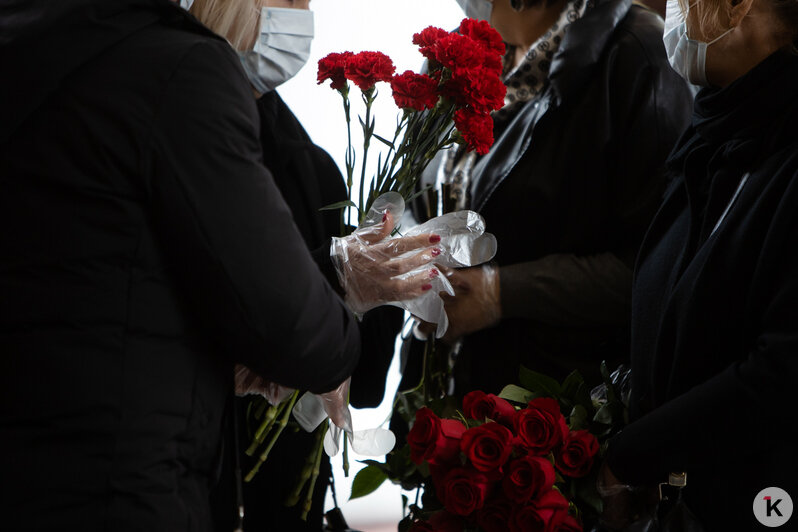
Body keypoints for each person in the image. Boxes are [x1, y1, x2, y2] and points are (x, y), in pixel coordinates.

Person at [0, 0, 433, 530]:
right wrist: (342, 287)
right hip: (117, 480)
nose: (301, 14)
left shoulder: (38, 50)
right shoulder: (178, 70)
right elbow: (291, 327)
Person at [182, 0, 413, 529]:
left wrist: (383, 280)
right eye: (285, 1)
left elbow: (368, 380)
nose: (299, 15)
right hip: (186, 483)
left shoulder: (311, 166)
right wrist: (333, 282)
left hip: (284, 498)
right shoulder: (168, 135)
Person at [408, 0, 694, 395]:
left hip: (547, 411)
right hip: (435, 394)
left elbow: (658, 266)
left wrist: (500, 293)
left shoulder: (637, 54)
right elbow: (417, 200)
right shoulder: (458, 50)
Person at [600, 0, 798, 529]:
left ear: (739, 7)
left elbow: (781, 374)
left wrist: (629, 457)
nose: (670, 7)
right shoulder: (713, 130)